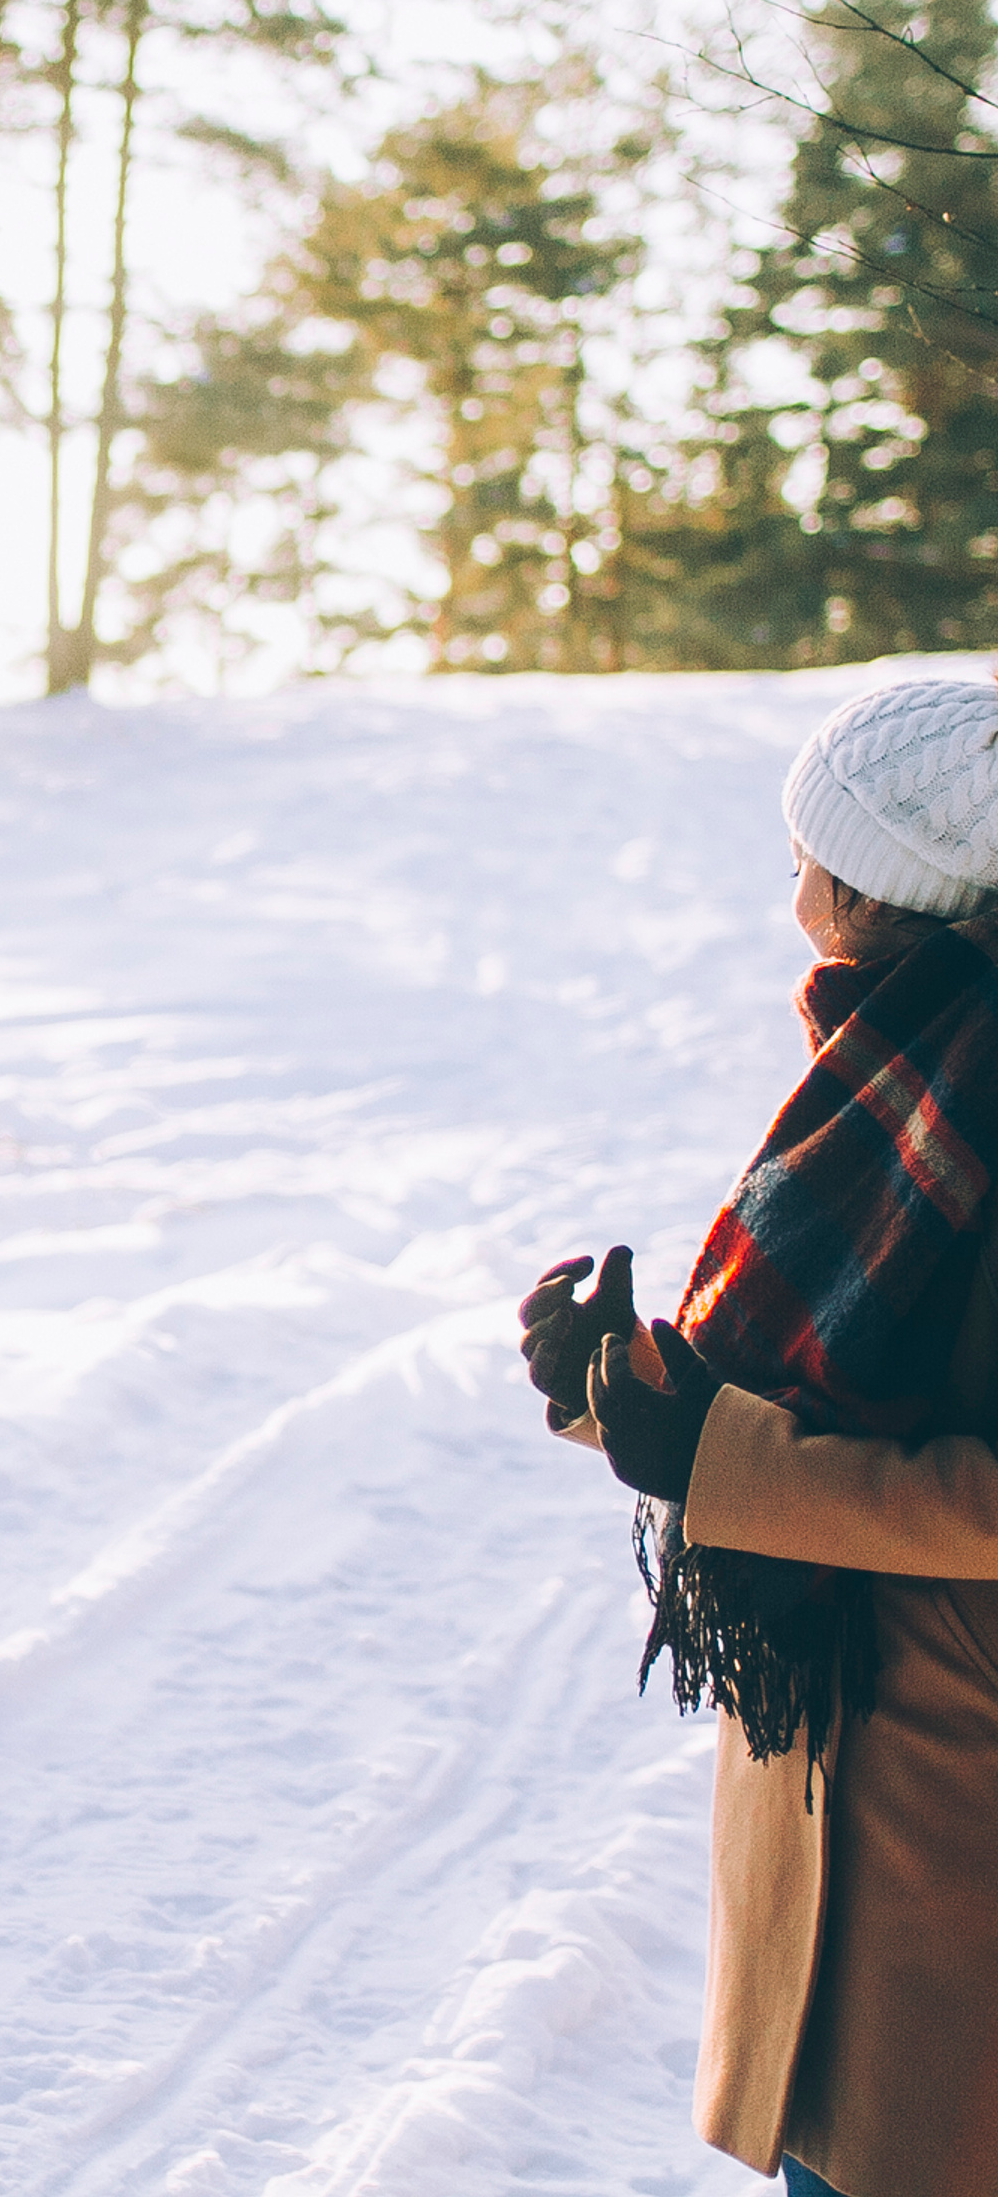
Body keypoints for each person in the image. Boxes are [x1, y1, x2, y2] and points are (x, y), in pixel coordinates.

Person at [523, 676, 998, 2197]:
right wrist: (614, 1388)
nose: (790, 892)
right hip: (867, 1761)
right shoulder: (909, 1062)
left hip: (947, 1807)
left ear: (876, 886)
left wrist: (712, 1461)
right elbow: (815, 1376)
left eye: (806, 856)